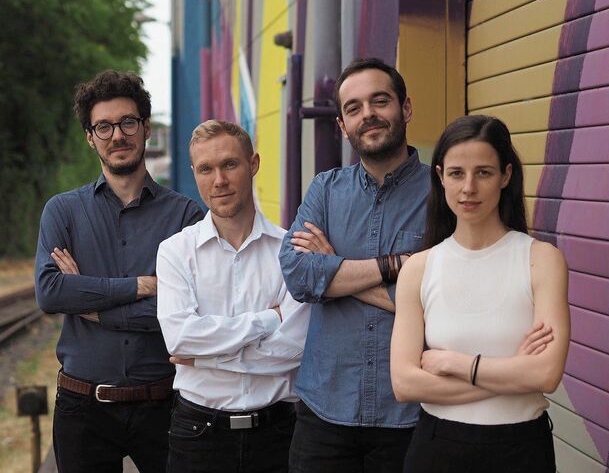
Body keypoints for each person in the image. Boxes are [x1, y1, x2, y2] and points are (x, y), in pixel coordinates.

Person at [35, 70, 204, 473]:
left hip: (165, 405)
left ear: (146, 129)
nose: (117, 135)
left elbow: (190, 314)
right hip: (83, 409)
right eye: (104, 126)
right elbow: (51, 293)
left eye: (128, 122)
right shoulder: (63, 211)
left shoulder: (186, 217)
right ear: (90, 137)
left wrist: (91, 304)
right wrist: (142, 286)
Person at [390, 115, 570, 472]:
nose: (468, 187)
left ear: (505, 176)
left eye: (483, 173)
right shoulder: (419, 268)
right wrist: (512, 374)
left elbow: (547, 375)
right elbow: (405, 383)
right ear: (440, 176)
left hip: (520, 450)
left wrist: (458, 364)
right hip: (437, 450)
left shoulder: (541, 260)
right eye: (456, 173)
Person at [279, 58, 429, 472]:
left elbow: (444, 301)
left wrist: (335, 269)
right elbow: (297, 274)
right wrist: (396, 266)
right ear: (342, 126)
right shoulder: (325, 190)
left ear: (406, 108)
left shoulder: (443, 194)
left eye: (380, 101)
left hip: (410, 413)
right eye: (354, 108)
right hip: (323, 412)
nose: (369, 115)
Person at [156, 119, 310, 473]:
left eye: (229, 164)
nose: (219, 180)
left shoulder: (291, 251)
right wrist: (269, 319)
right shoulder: (175, 252)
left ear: (253, 164)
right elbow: (180, 337)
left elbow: (294, 352)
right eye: (206, 169)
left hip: (278, 434)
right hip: (198, 436)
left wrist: (204, 357)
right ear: (194, 173)